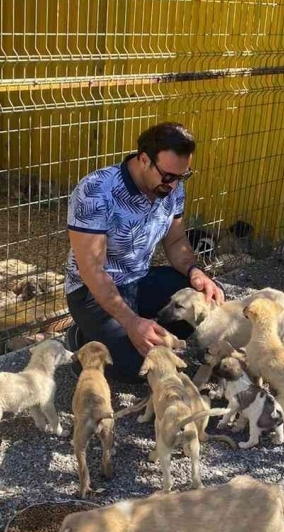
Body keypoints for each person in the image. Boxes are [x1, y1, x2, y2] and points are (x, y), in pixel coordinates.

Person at [64, 122, 224, 381]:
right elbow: (92, 270)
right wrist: (131, 322)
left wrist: (196, 272)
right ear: (144, 160)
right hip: (92, 291)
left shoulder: (171, 186)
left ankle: (140, 326)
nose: (173, 185)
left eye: (182, 177)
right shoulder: (95, 191)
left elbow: (175, 242)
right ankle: (82, 337)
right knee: (141, 366)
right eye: (169, 176)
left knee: (206, 300)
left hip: (138, 279)